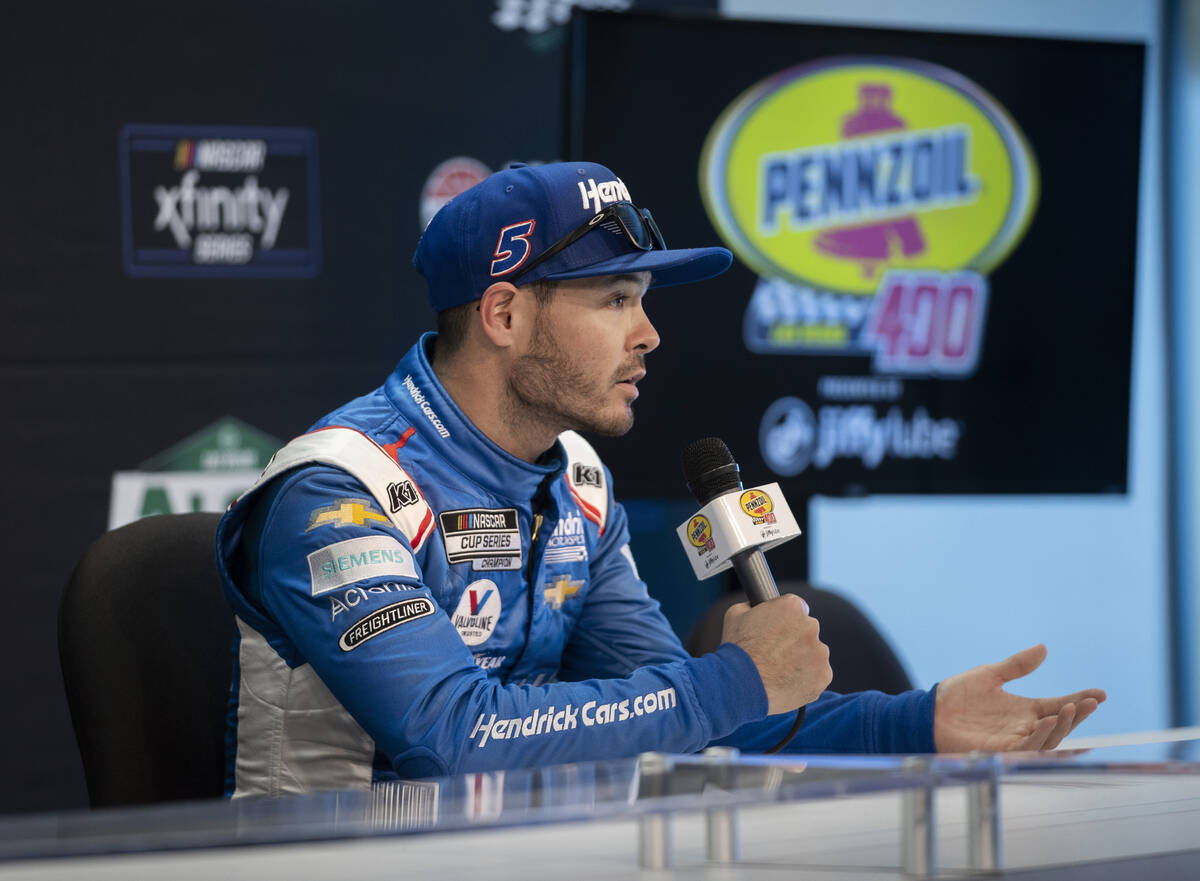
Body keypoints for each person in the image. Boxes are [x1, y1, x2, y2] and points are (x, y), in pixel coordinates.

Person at [215, 161, 1104, 798]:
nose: (649, 334)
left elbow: (690, 717)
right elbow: (458, 740)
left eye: (644, 299)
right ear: (504, 313)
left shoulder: (578, 486)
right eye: (614, 301)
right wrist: (737, 678)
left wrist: (918, 723)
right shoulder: (336, 492)